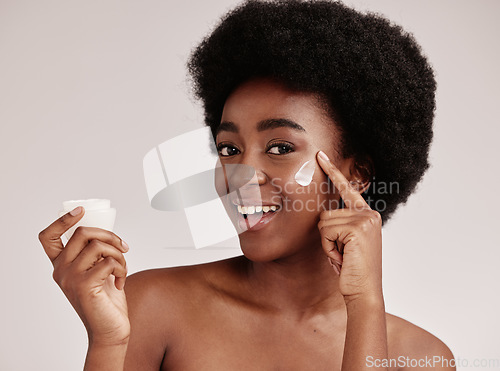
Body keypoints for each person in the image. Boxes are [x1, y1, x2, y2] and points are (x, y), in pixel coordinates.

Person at [39, 1, 456, 369]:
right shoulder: (154, 305)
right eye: (228, 149)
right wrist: (109, 343)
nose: (240, 173)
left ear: (356, 174)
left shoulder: (421, 357)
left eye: (278, 147)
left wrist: (365, 305)